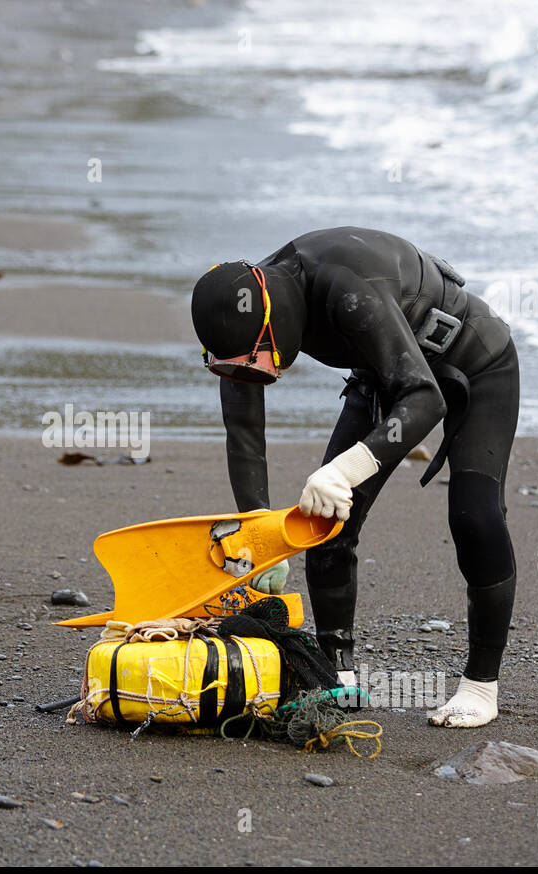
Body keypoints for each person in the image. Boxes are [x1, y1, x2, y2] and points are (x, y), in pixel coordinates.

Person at [191, 227, 519, 728]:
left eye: (260, 366)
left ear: (272, 327)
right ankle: (338, 680)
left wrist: (342, 470)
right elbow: (243, 430)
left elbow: (425, 399)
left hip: (475, 362)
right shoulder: (239, 320)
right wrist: (256, 534)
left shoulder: (343, 287)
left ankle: (481, 686)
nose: (258, 377)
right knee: (326, 525)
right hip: (384, 375)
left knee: (474, 515)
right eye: (241, 370)